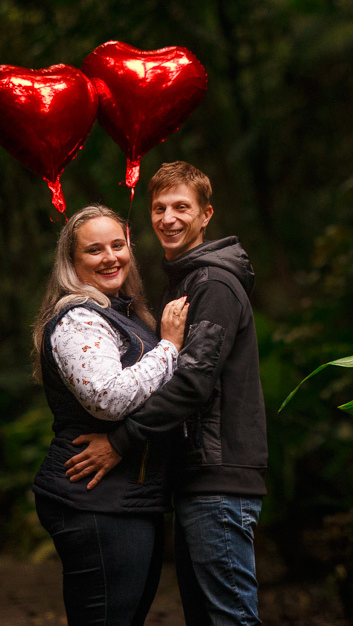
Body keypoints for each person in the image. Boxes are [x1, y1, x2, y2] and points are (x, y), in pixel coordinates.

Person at [64, 162, 268, 626]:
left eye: (182, 207)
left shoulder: (213, 284)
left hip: (218, 478)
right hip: (198, 478)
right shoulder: (185, 279)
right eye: (159, 208)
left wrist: (119, 443)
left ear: (206, 215)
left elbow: (193, 383)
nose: (169, 218)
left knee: (230, 619)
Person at [31, 204, 190, 626]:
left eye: (118, 245)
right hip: (95, 499)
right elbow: (107, 398)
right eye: (94, 250)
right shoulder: (80, 319)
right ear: (71, 262)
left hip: (124, 498)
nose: (110, 257)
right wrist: (170, 347)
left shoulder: (122, 312)